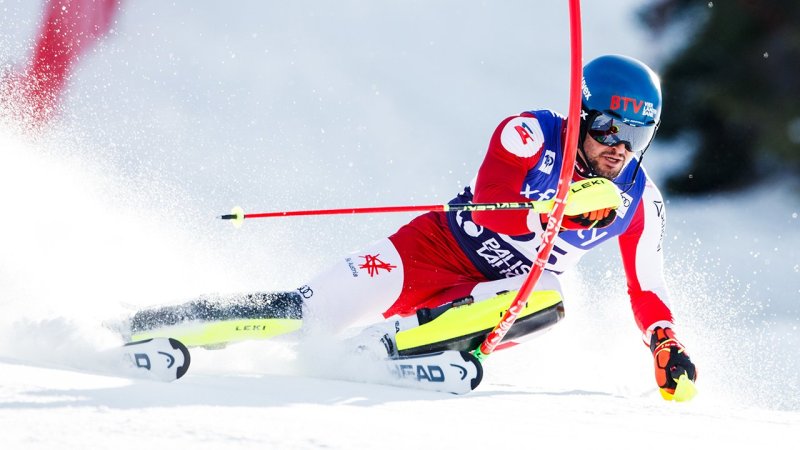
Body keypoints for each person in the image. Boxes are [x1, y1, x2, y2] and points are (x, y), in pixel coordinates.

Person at [130, 54, 697, 399]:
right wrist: (556, 207)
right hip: (437, 248)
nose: (620, 149)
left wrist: (665, 343)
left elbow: (647, 285)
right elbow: (491, 205)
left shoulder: (639, 199)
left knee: (548, 299)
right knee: (302, 312)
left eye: (637, 137)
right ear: (580, 113)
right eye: (608, 129)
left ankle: (390, 348)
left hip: (496, 294)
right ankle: (148, 327)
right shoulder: (527, 133)